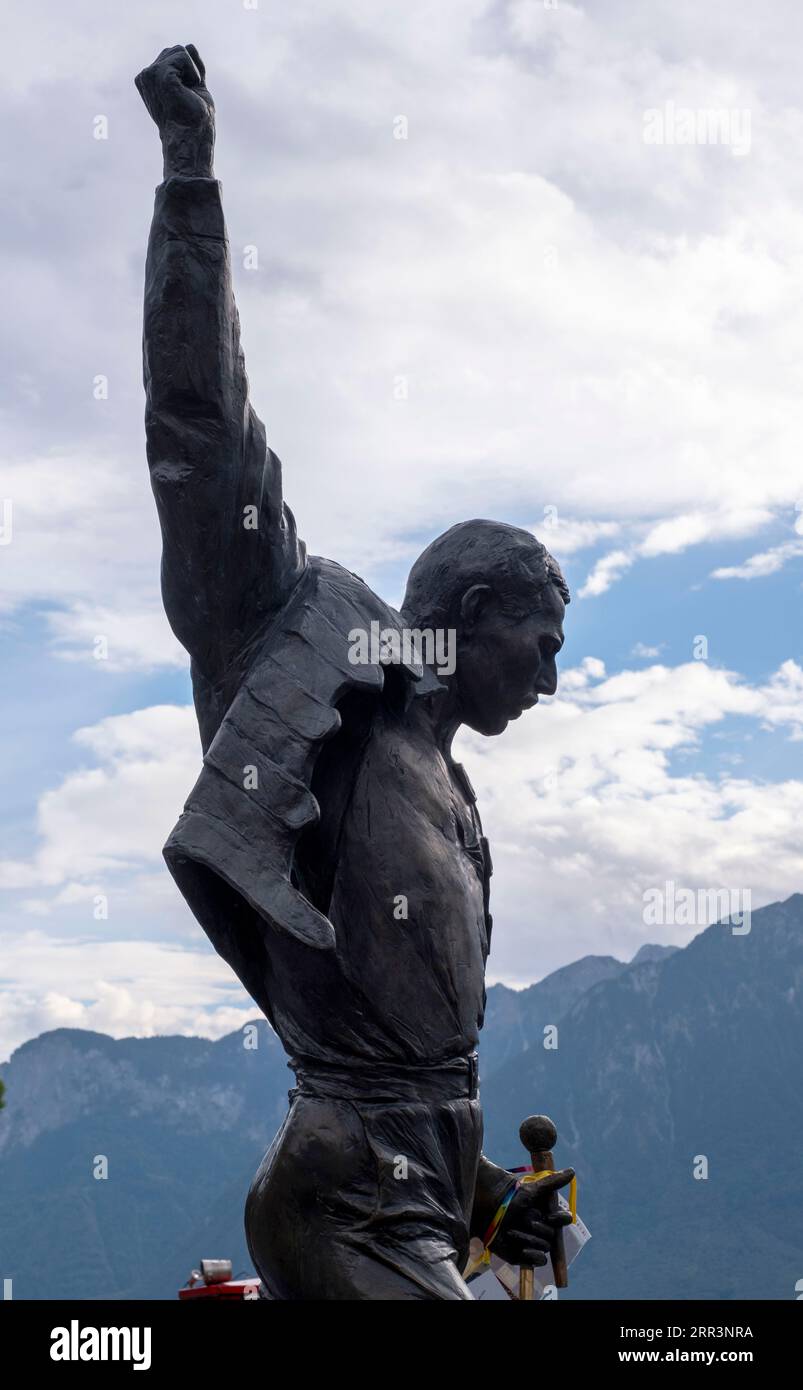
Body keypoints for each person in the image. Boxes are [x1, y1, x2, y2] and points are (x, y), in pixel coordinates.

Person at [136, 43, 574, 1300]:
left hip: (411, 1200)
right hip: (335, 1208)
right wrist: (189, 179)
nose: (548, 679)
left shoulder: (448, 785)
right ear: (473, 611)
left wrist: (493, 1196)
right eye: (540, 642)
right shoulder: (303, 658)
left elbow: (414, 1082)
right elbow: (199, 433)